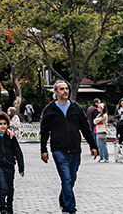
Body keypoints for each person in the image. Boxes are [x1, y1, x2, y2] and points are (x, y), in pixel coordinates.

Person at [40, 81, 98, 214]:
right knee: (65, 178)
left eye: (66, 89)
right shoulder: (49, 110)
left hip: (75, 150)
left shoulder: (75, 107)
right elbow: (44, 131)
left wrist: (92, 146)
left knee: (71, 179)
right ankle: (69, 208)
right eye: (62, 89)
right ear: (56, 92)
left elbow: (85, 128)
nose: (65, 91)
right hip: (59, 150)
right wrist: (43, 150)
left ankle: (63, 200)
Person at [0, 112, 24, 214]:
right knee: (3, 186)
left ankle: (9, 204)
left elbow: (18, 152)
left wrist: (21, 168)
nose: (3, 126)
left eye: (5, 124)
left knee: (10, 188)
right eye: (0, 124)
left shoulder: (11, 137)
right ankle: (3, 207)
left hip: (10, 165)